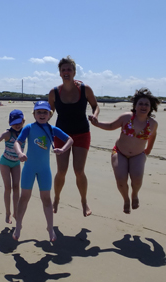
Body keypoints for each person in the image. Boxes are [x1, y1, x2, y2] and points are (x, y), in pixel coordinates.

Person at [89, 88, 159, 214]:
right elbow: (111, 126)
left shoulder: (153, 124)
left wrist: (148, 150)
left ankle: (135, 194)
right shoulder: (127, 118)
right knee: (121, 180)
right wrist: (97, 124)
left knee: (137, 179)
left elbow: (153, 136)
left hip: (138, 155)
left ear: (150, 107)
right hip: (119, 152)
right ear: (135, 106)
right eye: (140, 104)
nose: (143, 106)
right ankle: (126, 199)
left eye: (147, 104)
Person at [13, 101, 73, 242]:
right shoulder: (28, 127)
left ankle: (50, 228)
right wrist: (20, 153)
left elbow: (70, 140)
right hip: (29, 168)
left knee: (46, 199)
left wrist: (62, 149)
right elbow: (17, 142)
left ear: (50, 115)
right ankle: (18, 225)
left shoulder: (52, 129)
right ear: (34, 114)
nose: (41, 114)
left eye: (45, 112)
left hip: (44, 170)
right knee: (24, 197)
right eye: (38, 112)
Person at [48, 55, 100, 217]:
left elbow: (95, 105)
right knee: (61, 170)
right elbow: (50, 111)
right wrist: (41, 119)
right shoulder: (54, 92)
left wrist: (95, 115)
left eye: (69, 69)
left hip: (82, 133)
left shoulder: (85, 89)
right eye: (63, 70)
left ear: (74, 72)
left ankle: (84, 202)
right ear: (60, 73)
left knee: (79, 170)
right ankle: (56, 199)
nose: (66, 72)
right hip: (61, 135)